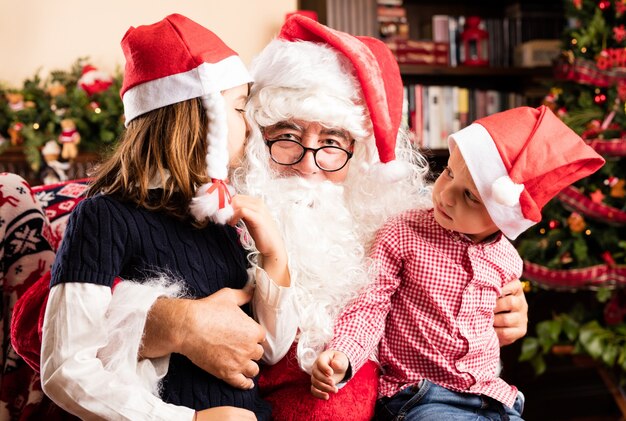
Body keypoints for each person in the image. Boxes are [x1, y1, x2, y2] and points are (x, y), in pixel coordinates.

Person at [10, 13, 530, 421]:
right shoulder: (204, 203)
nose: (307, 163)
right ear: (247, 133)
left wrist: (497, 312)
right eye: (285, 136)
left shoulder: (405, 228)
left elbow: (468, 296)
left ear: (365, 162)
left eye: (333, 144)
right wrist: (170, 323)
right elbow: (34, 325)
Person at [39, 13, 294, 421]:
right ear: (199, 117)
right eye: (239, 108)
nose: (250, 128)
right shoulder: (104, 216)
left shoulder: (222, 218)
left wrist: (275, 258)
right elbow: (65, 368)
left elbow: (269, 349)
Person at [310, 105, 605, 420]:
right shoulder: (404, 232)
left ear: (504, 217)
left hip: (492, 396)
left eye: (471, 196)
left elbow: (502, 325)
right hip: (419, 395)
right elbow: (370, 304)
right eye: (449, 172)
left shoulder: (507, 261)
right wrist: (344, 354)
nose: (447, 195)